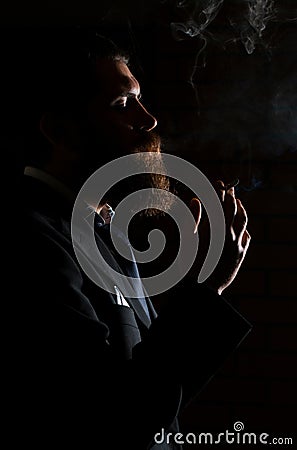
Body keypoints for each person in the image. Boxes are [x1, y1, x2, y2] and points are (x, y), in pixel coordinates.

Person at [7, 28, 251, 449]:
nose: (148, 119)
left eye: (139, 99)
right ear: (59, 131)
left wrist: (196, 293)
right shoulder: (29, 240)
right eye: (122, 105)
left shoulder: (99, 234)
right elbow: (111, 419)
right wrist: (206, 290)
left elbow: (155, 402)